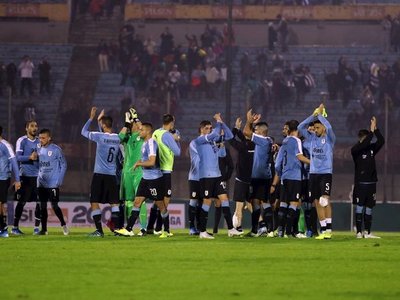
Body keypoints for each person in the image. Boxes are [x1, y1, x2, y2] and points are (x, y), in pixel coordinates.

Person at [115, 123, 171, 238]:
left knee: (161, 205)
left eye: (141, 130)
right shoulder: (145, 144)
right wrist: (139, 161)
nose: (139, 132)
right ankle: (129, 229)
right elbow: (144, 158)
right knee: (137, 202)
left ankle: (167, 230)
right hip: (145, 179)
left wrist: (139, 163)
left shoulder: (151, 143)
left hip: (155, 179)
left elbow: (151, 161)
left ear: (147, 132)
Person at [195, 114, 242, 239]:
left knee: (225, 200)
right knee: (207, 201)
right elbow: (215, 134)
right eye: (207, 128)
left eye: (211, 127)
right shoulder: (199, 140)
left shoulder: (213, 142)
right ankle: (203, 231)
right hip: (206, 176)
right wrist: (218, 124)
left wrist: (221, 122)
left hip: (217, 176)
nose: (210, 130)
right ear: (201, 130)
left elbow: (230, 137)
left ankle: (231, 229)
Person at [81, 107, 121, 237]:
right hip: (112, 175)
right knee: (114, 203)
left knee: (94, 201)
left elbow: (84, 131)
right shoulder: (117, 138)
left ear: (103, 125)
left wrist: (91, 118)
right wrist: (100, 122)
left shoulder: (99, 136)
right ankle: (116, 229)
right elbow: (106, 135)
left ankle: (99, 231)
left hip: (99, 174)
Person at [298, 104, 335, 240]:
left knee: (325, 199)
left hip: (325, 173)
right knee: (316, 202)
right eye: (314, 128)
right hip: (313, 174)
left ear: (323, 128)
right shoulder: (312, 138)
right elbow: (300, 127)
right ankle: (324, 230)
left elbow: (329, 127)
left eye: (318, 128)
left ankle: (329, 230)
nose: (315, 130)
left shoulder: (330, 139)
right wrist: (313, 116)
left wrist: (319, 115)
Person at [271, 120, 310, 238]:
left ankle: (280, 231)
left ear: (288, 128)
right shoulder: (296, 140)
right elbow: (299, 156)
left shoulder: (284, 142)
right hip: (295, 177)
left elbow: (278, 163)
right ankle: (289, 232)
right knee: (294, 204)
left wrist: (280, 174)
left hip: (284, 178)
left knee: (283, 204)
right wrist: (313, 163)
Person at [351, 116, 385, 239]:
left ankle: (368, 232)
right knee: (360, 206)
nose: (369, 142)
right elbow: (365, 142)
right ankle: (359, 232)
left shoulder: (371, 149)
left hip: (372, 183)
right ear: (361, 139)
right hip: (361, 184)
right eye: (367, 139)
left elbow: (381, 141)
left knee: (370, 207)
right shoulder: (355, 150)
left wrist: (375, 130)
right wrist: (371, 132)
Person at [147, 114, 181, 235]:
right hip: (165, 170)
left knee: (157, 200)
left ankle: (150, 227)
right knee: (165, 200)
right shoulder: (168, 135)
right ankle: (159, 228)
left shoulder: (156, 132)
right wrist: (176, 139)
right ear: (171, 123)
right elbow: (178, 152)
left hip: (156, 169)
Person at [243, 109, 274, 237]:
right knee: (257, 202)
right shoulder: (267, 141)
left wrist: (248, 120)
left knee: (262, 202)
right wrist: (253, 123)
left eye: (256, 131)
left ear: (261, 132)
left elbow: (245, 132)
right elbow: (248, 134)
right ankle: (258, 230)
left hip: (260, 176)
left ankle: (268, 230)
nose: (254, 132)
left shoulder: (263, 140)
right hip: (261, 176)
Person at [117, 108, 147, 236]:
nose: (134, 125)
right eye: (132, 123)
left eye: (133, 123)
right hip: (127, 172)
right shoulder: (127, 138)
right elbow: (119, 137)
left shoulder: (143, 137)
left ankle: (143, 228)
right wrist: (126, 123)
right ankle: (130, 228)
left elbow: (144, 130)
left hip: (139, 172)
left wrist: (136, 118)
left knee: (140, 199)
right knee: (128, 201)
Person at [12, 120, 42, 235]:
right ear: (26, 128)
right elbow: (17, 158)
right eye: (32, 126)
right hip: (25, 176)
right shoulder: (22, 140)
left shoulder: (40, 141)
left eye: (36, 126)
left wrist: (39, 156)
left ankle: (36, 229)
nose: (35, 128)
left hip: (38, 177)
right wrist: (30, 157)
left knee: (39, 203)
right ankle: (15, 227)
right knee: (22, 202)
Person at [36, 129, 68, 235]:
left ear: (49, 138)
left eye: (43, 138)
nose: (41, 140)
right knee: (42, 206)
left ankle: (63, 225)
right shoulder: (38, 148)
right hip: (41, 183)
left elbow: (64, 164)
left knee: (54, 206)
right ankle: (44, 230)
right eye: (40, 138)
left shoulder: (56, 149)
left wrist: (60, 179)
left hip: (53, 183)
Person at [229, 117, 255, 233]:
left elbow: (230, 139)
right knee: (251, 205)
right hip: (252, 179)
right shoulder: (255, 144)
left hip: (241, 180)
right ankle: (262, 225)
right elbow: (244, 136)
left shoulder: (243, 146)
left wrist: (236, 128)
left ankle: (237, 227)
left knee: (239, 207)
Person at [0, 126, 21, 238]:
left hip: (3, 178)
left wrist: (17, 180)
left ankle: (3, 228)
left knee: (0, 204)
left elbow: (14, 162)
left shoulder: (5, 145)